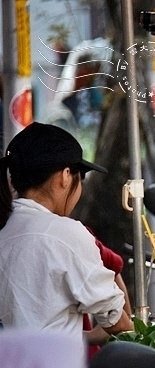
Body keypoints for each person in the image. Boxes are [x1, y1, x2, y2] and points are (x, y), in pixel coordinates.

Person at [0, 122, 133, 338]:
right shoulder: (65, 234)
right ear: (64, 176)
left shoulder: (5, 226)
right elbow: (117, 321)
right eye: (79, 179)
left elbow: (39, 326)